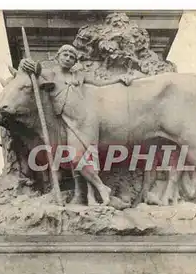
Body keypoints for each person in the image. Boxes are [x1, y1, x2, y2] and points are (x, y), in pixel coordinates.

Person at [21, 44, 133, 205]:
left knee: (87, 157)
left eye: (72, 56)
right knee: (75, 159)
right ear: (57, 56)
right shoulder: (49, 73)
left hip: (86, 120)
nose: (68, 58)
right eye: (65, 54)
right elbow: (32, 69)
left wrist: (119, 78)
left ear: (75, 61)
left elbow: (100, 82)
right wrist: (24, 63)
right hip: (67, 121)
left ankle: (91, 198)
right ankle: (101, 188)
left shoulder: (79, 75)